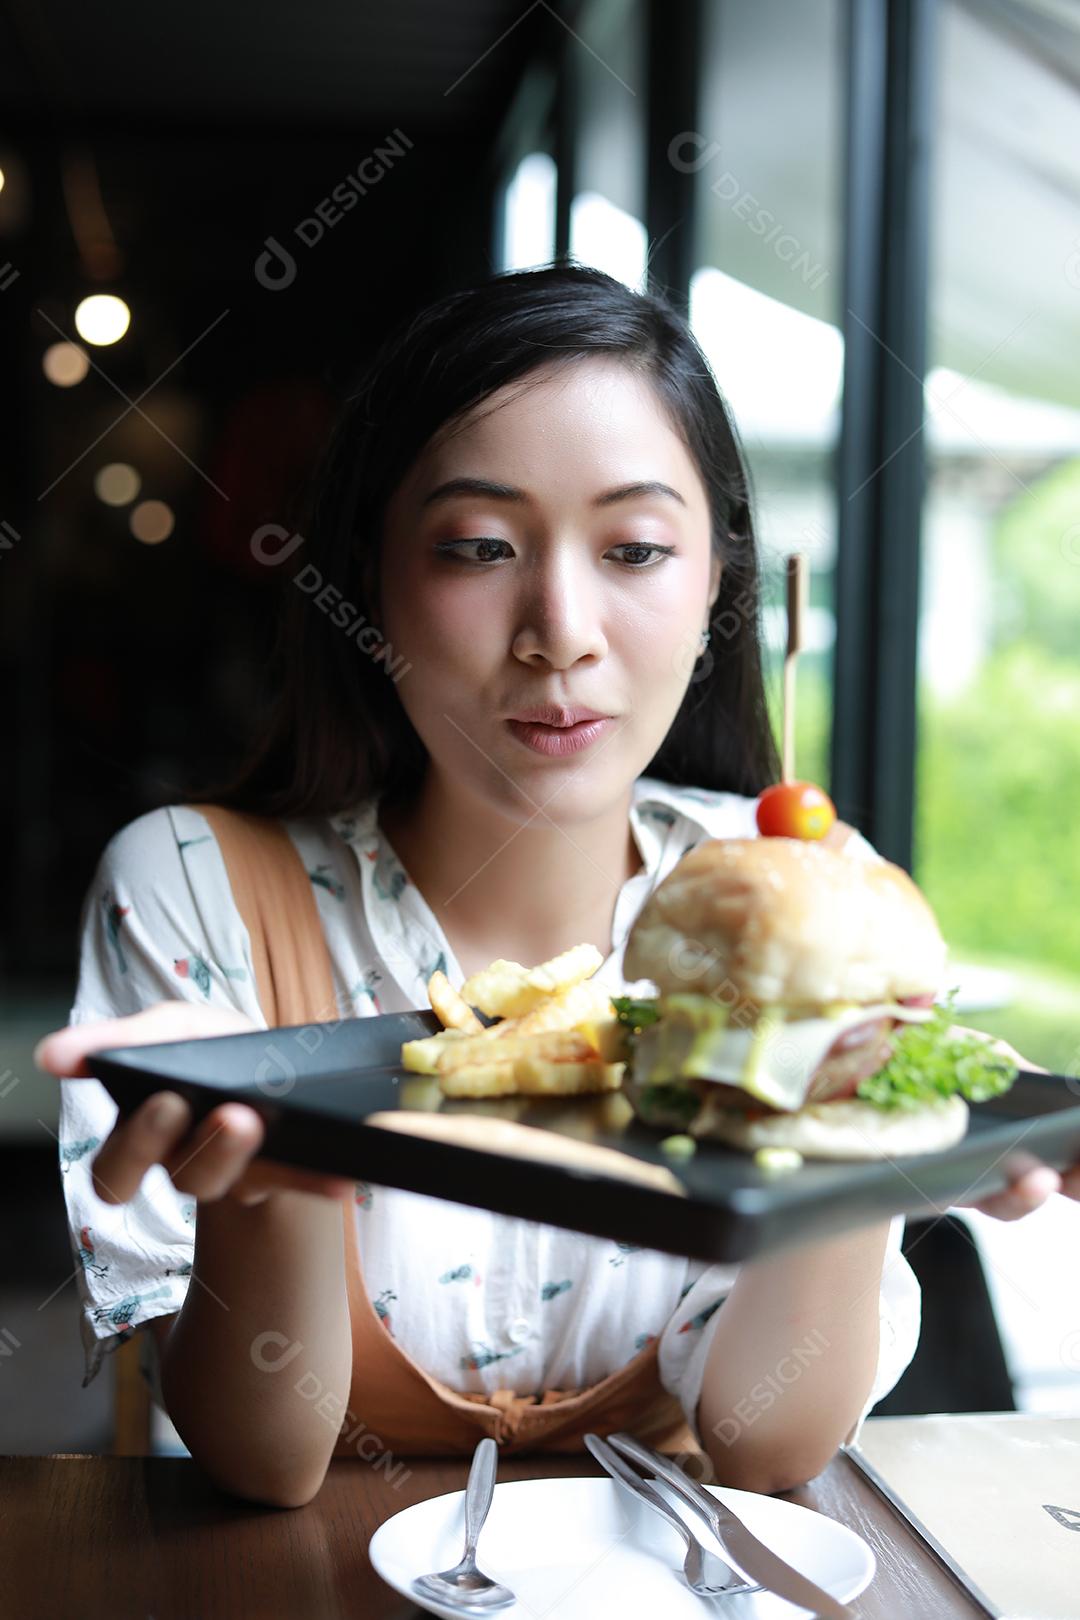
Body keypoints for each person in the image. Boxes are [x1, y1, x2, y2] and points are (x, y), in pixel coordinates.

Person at [35, 265, 1074, 1511]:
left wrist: (848, 1157)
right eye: (478, 547)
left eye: (635, 548)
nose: (560, 629)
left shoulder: (807, 916)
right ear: (369, 579)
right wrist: (274, 1175)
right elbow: (264, 1464)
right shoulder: (196, 888)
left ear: (714, 591)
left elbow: (765, 1445)